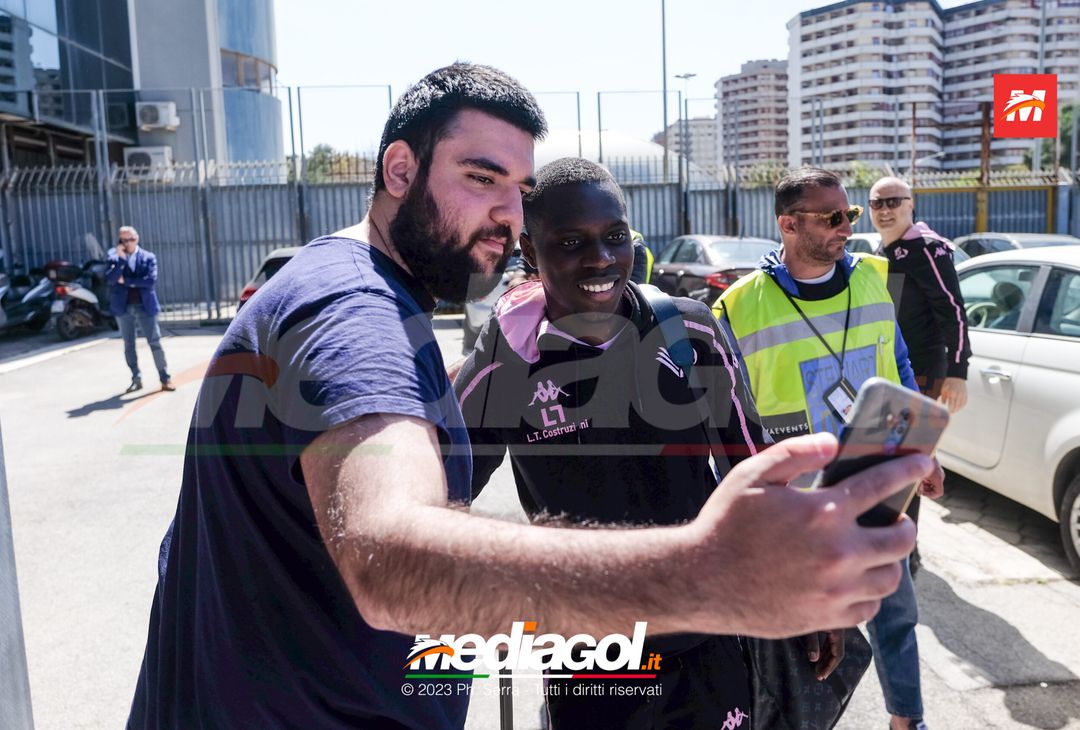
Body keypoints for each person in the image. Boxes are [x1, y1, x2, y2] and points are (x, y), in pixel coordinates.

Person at [128, 66, 929, 729]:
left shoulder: (682, 328)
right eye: (481, 180)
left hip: (711, 662)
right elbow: (391, 550)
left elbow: (747, 453)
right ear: (400, 170)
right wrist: (712, 573)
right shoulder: (360, 317)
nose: (504, 216)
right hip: (601, 669)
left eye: (515, 190)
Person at [457, 158, 848, 728]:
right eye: (571, 242)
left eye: (614, 236)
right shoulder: (505, 364)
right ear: (530, 252)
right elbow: (438, 495)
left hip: (707, 634)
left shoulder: (687, 330)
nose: (599, 259)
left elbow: (757, 468)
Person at [714, 167, 945, 730]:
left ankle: (906, 718)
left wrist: (924, 448)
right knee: (809, 643)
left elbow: (898, 365)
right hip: (796, 504)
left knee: (895, 608)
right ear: (788, 225)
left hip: (878, 475)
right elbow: (723, 414)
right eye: (832, 217)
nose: (847, 227)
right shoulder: (737, 307)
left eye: (850, 215)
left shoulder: (874, 277)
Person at [868, 176, 971, 578]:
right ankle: (893, 543)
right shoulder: (886, 251)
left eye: (894, 201)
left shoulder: (927, 249)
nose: (885, 209)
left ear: (912, 205)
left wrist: (959, 372)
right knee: (891, 456)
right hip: (891, 367)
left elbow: (954, 312)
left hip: (925, 371)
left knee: (910, 460)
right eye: (877, 203)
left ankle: (904, 552)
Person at [105, 226, 173, 393]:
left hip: (145, 306)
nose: (128, 243)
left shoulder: (149, 257)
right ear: (120, 241)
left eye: (131, 239)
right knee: (129, 344)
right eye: (124, 240)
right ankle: (136, 378)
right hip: (123, 307)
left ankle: (165, 378)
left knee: (155, 342)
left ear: (137, 239)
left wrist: (126, 281)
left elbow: (150, 281)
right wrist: (121, 260)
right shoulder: (113, 257)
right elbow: (111, 279)